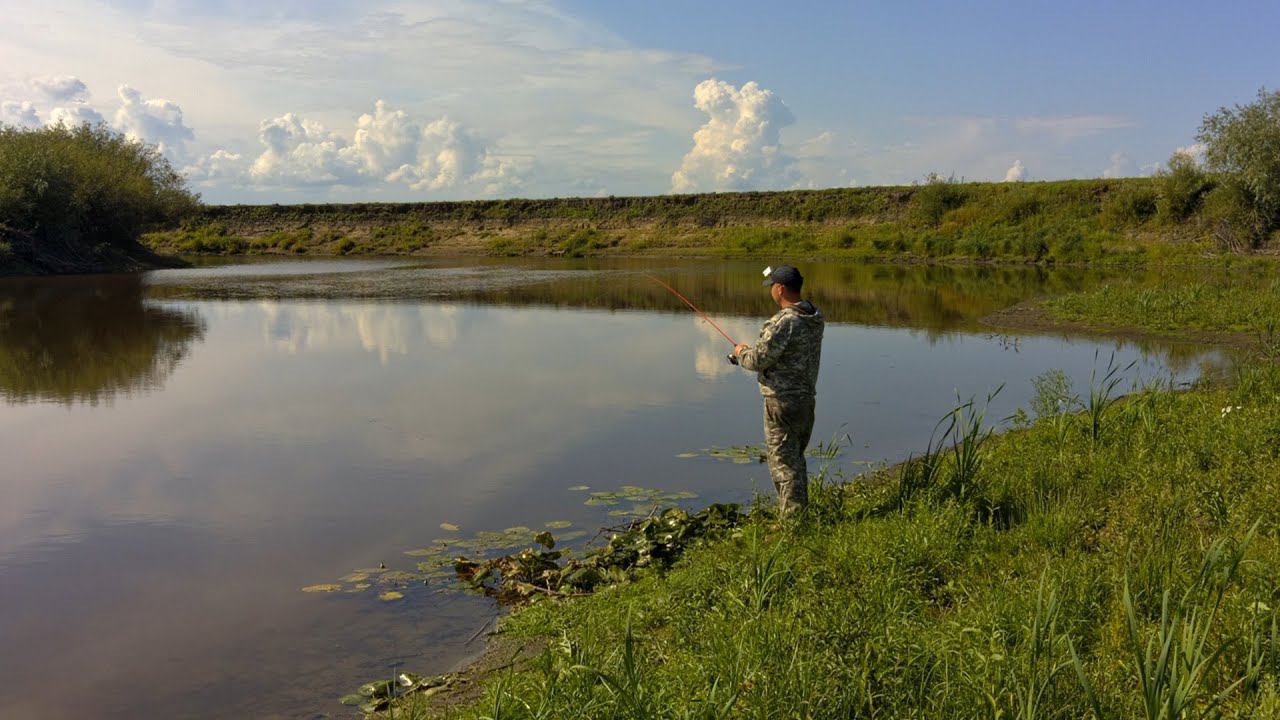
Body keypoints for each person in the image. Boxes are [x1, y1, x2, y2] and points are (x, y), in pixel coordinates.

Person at [732, 265, 824, 512]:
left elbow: (757, 360)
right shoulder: (814, 316)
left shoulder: (784, 322)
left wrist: (740, 353)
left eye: (772, 286)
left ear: (780, 288)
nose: (771, 290)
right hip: (805, 400)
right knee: (795, 460)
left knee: (783, 463)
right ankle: (799, 511)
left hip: (781, 403)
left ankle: (794, 523)